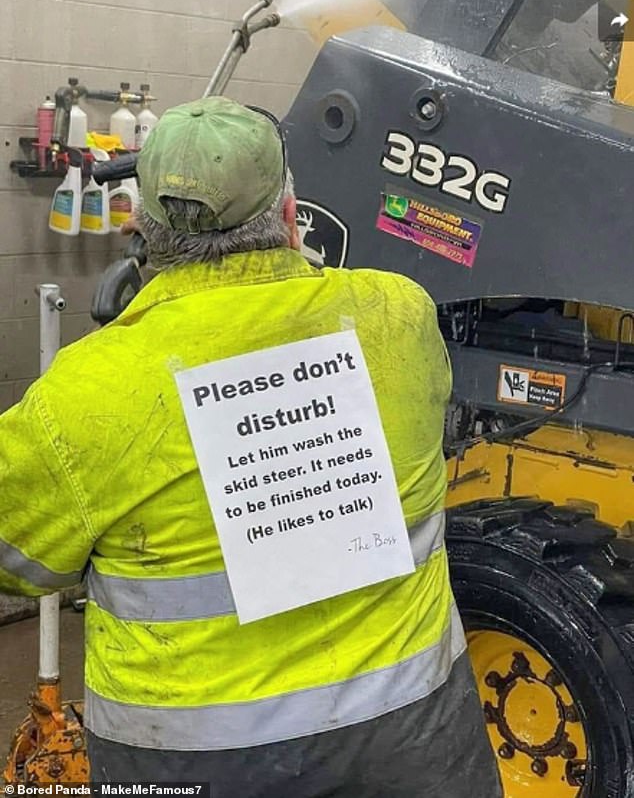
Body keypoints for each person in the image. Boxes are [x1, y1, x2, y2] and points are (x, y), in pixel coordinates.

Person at [0, 97, 501, 797]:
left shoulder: (86, 393)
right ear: (293, 218)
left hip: (193, 764)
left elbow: (18, 560)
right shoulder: (398, 317)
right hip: (410, 744)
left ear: (140, 230)